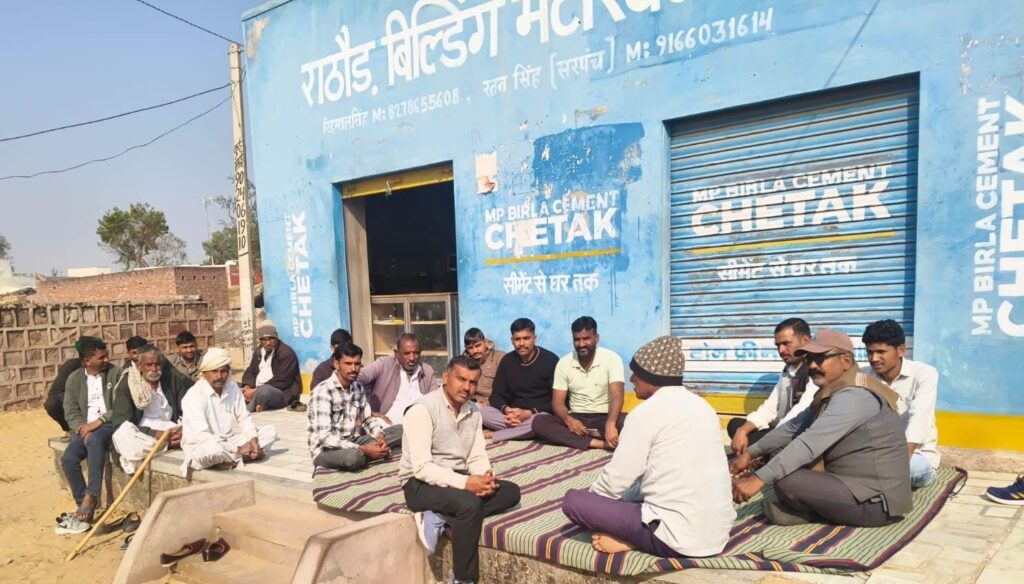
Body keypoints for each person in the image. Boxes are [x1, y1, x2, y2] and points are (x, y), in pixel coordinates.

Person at [561, 336, 735, 557]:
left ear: (650, 379)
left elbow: (616, 480)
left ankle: (634, 539)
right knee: (632, 492)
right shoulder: (704, 407)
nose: (631, 379)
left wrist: (594, 503)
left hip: (676, 537)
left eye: (636, 373)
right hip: (717, 534)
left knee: (574, 501)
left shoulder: (644, 414)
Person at [731, 328, 912, 527]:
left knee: (786, 479)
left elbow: (809, 444)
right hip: (849, 483)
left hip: (875, 503)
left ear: (845, 361)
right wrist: (750, 453)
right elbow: (793, 427)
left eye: (820, 359)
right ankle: (814, 511)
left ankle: (812, 512)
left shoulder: (855, 396)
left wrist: (757, 479)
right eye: (809, 360)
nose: (812, 365)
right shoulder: (835, 389)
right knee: (780, 460)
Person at [400, 356, 521, 584]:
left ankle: (439, 517)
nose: (467, 387)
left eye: (473, 382)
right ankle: (464, 579)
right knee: (469, 505)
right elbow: (422, 468)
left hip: (455, 481)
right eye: (461, 379)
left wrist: (485, 478)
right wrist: (467, 484)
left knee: (511, 492)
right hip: (419, 485)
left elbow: (476, 455)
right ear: (446, 377)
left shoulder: (473, 410)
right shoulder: (422, 410)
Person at [862, 319, 940, 489]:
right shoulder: (862, 376)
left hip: (915, 455)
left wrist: (895, 464)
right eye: (870, 352)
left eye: (881, 352)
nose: (874, 358)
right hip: (874, 455)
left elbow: (919, 419)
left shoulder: (924, 374)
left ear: (901, 350)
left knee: (911, 469)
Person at [58, 337, 122, 534]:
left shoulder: (116, 373)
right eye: (101, 357)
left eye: (106, 356)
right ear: (87, 361)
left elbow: (121, 406)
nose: (106, 360)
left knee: (94, 439)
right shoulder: (74, 379)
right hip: (85, 428)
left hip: (109, 425)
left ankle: (91, 495)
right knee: (68, 458)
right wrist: (82, 428)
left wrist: (98, 422)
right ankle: (84, 506)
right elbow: (71, 410)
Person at [533, 316, 626, 450]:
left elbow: (617, 395)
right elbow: (557, 402)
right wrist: (568, 420)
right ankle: (599, 443)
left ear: (596, 338)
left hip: (604, 418)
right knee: (539, 422)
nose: (581, 344)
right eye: (577, 339)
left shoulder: (612, 359)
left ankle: (583, 439)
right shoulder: (564, 363)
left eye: (586, 338)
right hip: (577, 420)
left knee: (630, 421)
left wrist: (610, 424)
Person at [728, 318, 817, 455]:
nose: (781, 350)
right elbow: (770, 408)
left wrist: (769, 441)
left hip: (800, 435)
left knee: (759, 443)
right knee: (735, 425)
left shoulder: (816, 369)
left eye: (786, 343)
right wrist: (743, 430)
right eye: (778, 345)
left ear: (805, 341)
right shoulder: (788, 370)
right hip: (782, 431)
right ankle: (759, 454)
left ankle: (757, 455)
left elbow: (798, 416)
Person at [181, 348, 277, 474]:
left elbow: (244, 417)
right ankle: (241, 457)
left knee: (270, 431)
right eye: (214, 371)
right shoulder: (194, 395)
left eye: (223, 371)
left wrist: (253, 440)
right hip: (202, 446)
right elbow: (202, 436)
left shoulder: (231, 386)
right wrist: (238, 449)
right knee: (214, 450)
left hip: (228, 441)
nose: (219, 376)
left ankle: (232, 459)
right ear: (204, 373)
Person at [307, 343, 402, 471]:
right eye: (348, 364)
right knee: (354, 458)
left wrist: (379, 437)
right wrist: (364, 450)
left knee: (401, 431)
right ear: (336, 364)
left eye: (357, 364)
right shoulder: (323, 392)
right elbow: (324, 438)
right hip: (326, 450)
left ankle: (375, 452)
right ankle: (372, 454)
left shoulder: (357, 387)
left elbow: (367, 419)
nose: (353, 369)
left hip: (352, 441)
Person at [110, 345, 194, 474]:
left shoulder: (171, 379)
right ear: (139, 366)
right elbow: (120, 423)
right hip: (143, 433)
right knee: (123, 435)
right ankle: (167, 444)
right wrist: (155, 434)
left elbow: (186, 408)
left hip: (171, 428)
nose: (154, 369)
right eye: (149, 365)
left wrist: (183, 429)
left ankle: (167, 443)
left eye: (157, 365)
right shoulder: (127, 384)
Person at [483, 318, 559, 441]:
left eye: (526, 338)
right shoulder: (507, 361)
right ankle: (520, 431)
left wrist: (528, 413)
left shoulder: (550, 360)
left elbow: (557, 400)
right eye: (517, 339)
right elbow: (496, 395)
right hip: (512, 417)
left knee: (541, 422)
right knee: (482, 412)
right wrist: (507, 410)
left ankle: (495, 435)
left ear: (534, 338)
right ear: (512, 341)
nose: (521, 343)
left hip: (537, 414)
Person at [359, 333, 436, 426]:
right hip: (387, 426)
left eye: (415, 353)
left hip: (418, 426)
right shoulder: (384, 365)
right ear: (397, 353)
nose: (412, 358)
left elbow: (436, 401)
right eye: (407, 353)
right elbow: (357, 378)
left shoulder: (426, 371)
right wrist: (368, 412)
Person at [240, 320, 302, 412]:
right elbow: (251, 371)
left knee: (264, 391)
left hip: (282, 393)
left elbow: (283, 381)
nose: (268, 343)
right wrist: (247, 387)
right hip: (257, 388)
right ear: (260, 340)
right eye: (264, 340)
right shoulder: (259, 351)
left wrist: (255, 391)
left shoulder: (286, 353)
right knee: (233, 386)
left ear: (276, 338)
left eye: (271, 339)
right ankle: (258, 402)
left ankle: (247, 409)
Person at [45, 341, 90, 438]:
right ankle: (71, 429)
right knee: (51, 404)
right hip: (75, 404)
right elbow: (55, 393)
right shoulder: (71, 366)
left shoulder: (106, 368)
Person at [462, 328, 505, 406]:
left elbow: (506, 391)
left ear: (486, 342)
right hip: (469, 405)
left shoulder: (501, 358)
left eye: (478, 345)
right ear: (466, 348)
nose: (475, 351)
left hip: (494, 405)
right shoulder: (462, 363)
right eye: (470, 348)